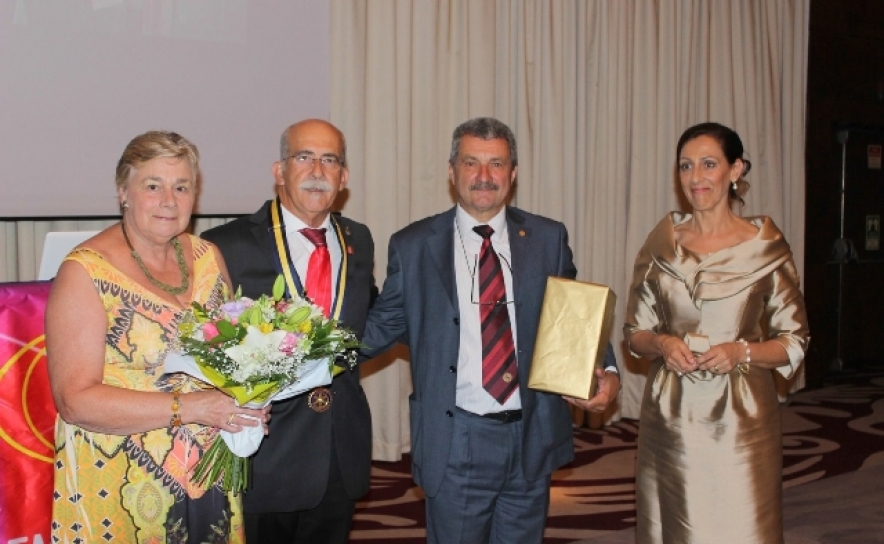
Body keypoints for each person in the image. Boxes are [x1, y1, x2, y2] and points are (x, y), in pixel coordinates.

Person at [360, 117, 621, 543]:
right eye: (471, 163)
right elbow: (382, 324)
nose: (484, 177)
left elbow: (575, 317)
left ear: (513, 173)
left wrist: (607, 372)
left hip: (530, 435)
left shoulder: (547, 237)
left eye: (496, 164)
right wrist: (305, 355)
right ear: (452, 171)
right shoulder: (413, 245)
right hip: (458, 435)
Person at [46, 131, 268, 543]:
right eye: (153, 186)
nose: (170, 200)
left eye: (182, 187)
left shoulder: (206, 257)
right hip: (118, 481)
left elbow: (231, 356)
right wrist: (194, 407)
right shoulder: (84, 273)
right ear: (123, 192)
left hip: (208, 471)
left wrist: (248, 401)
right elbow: (74, 401)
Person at [624, 122, 810, 543]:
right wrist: (661, 343)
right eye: (686, 166)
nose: (695, 177)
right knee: (675, 524)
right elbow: (634, 332)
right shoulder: (661, 244)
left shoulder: (766, 247)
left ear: (735, 170)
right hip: (672, 413)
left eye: (709, 164)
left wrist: (741, 352)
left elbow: (794, 341)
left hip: (741, 418)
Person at [201, 119, 377, 544]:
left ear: (344, 176)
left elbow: (362, 323)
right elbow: (205, 340)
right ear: (279, 171)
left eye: (330, 159)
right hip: (266, 453)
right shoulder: (225, 244)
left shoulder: (360, 238)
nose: (317, 169)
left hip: (340, 446)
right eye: (304, 157)